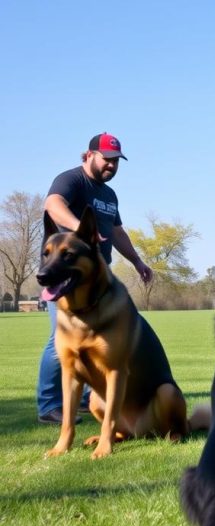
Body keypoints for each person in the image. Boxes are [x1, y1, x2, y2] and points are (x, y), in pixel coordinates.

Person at [35, 133, 154, 424]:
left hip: (100, 276)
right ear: (88, 156)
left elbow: (116, 232)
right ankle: (50, 405)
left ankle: (92, 397)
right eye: (107, 160)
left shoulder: (109, 195)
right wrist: (81, 232)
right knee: (60, 337)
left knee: (101, 337)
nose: (111, 166)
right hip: (66, 274)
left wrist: (137, 261)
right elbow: (52, 204)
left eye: (116, 162)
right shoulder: (72, 180)